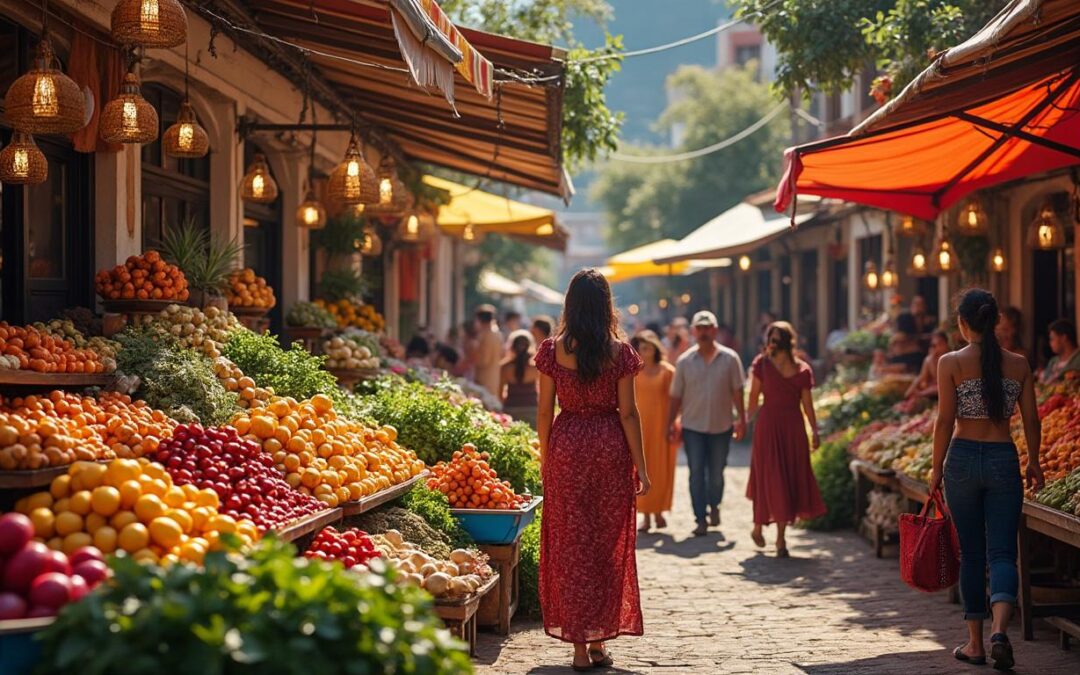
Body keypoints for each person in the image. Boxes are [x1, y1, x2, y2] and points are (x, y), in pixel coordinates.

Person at [535, 269, 649, 671]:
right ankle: (598, 642)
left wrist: (546, 458)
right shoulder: (620, 352)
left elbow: (544, 411)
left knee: (570, 545)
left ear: (570, 304)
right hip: (608, 448)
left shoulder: (552, 350)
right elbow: (629, 413)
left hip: (567, 447)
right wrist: (642, 468)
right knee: (605, 546)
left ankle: (580, 649)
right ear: (606, 305)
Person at [930, 288, 1043, 671]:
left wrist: (935, 468)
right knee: (1002, 553)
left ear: (963, 323)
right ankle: (999, 632)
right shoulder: (1020, 364)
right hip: (1003, 460)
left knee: (972, 554)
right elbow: (1032, 420)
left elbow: (945, 421)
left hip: (961, 460)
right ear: (994, 322)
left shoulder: (950, 363)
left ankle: (975, 644)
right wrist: (1035, 462)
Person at [746, 321, 826, 557]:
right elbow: (753, 397)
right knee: (766, 476)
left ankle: (780, 538)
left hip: (792, 428)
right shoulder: (762, 364)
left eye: (775, 339)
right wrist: (745, 422)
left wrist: (815, 431)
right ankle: (759, 525)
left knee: (786, 478)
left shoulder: (802, 370)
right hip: (769, 427)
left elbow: (807, 405)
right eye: (770, 339)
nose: (772, 343)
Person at [667, 310, 746, 537]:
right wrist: (670, 423)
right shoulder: (684, 362)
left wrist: (741, 419)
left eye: (707, 328)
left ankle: (715, 505)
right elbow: (675, 396)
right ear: (693, 331)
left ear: (715, 330)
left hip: (721, 425)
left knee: (717, 473)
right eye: (699, 328)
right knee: (696, 472)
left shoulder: (730, 359)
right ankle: (700, 518)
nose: (703, 332)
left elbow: (738, 391)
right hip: (693, 426)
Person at [630, 330, 677, 532]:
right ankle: (647, 516)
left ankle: (659, 511)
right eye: (642, 348)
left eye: (649, 348)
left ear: (656, 349)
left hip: (662, 426)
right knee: (642, 468)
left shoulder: (668, 371)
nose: (645, 351)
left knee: (661, 469)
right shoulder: (633, 372)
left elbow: (676, 400)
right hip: (640, 428)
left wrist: (673, 424)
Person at [501, 330, 539, 427]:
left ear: (512, 347)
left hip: (511, 408)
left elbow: (499, 393)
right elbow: (542, 392)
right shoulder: (536, 368)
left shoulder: (505, 367)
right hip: (531, 409)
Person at [905, 331, 951, 399]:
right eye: (934, 345)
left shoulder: (951, 359)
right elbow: (922, 377)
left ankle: (921, 394)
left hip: (945, 390)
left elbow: (944, 383)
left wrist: (922, 393)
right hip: (932, 390)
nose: (938, 348)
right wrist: (910, 390)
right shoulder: (929, 359)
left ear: (946, 344)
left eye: (940, 344)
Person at [472, 305, 504, 398]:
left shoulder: (487, 335)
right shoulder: (497, 333)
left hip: (485, 378)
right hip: (495, 375)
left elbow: (484, 360)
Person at [1039, 319, 1080, 384]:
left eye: (1052, 339)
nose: (1050, 343)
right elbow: (1043, 382)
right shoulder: (1053, 361)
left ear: (1064, 338)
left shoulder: (1078, 359)